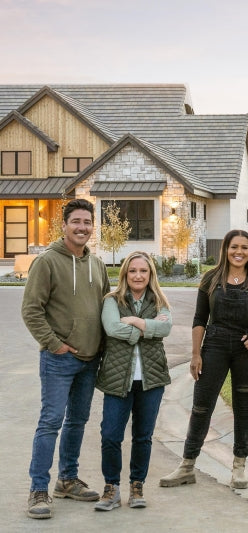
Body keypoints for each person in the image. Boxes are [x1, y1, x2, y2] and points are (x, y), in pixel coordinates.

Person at [160, 230, 248, 489]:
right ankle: (187, 465)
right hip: (215, 346)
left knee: (244, 408)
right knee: (201, 406)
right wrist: (195, 353)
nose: (239, 252)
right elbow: (200, 319)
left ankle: (238, 467)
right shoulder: (210, 279)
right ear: (225, 249)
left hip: (247, 351)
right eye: (234, 247)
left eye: (245, 248)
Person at [22, 198, 110, 519]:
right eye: (76, 222)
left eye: (87, 223)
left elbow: (106, 309)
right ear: (65, 225)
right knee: (50, 422)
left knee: (77, 421)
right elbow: (31, 310)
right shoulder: (46, 263)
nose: (82, 228)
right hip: (58, 360)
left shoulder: (97, 265)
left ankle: (68, 480)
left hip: (90, 360)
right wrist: (54, 344)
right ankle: (38, 489)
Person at [95, 251, 172, 511]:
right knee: (110, 435)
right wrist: (147, 329)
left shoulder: (159, 300)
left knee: (143, 436)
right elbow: (112, 328)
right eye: (133, 271)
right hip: (118, 379)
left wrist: (138, 321)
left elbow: (166, 329)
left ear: (150, 275)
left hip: (151, 380)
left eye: (143, 271)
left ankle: (137, 485)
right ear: (125, 273)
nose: (138, 276)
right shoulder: (111, 300)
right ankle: (111, 487)